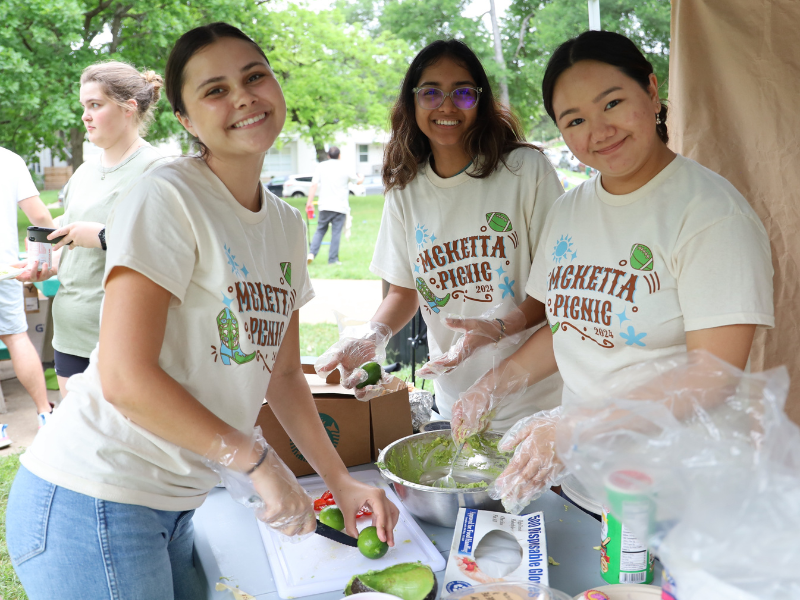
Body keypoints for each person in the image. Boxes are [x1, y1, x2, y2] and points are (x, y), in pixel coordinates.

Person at [6, 22, 398, 599]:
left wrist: (338, 481)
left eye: (254, 76)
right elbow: (123, 378)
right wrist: (258, 462)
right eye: (215, 90)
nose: (242, 96)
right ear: (187, 121)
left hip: (175, 503)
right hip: (92, 496)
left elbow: (284, 375)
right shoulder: (168, 196)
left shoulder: (287, 226)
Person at [451, 31, 774, 510]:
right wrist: (490, 387)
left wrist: (578, 426)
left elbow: (715, 374)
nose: (599, 131)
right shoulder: (569, 211)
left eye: (613, 103)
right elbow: (571, 330)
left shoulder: (709, 213)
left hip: (681, 495)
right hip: (586, 481)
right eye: (575, 119)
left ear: (651, 90)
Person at [315, 39, 564, 430]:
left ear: (480, 101)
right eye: (431, 92)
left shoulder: (525, 170)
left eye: (463, 93)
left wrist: (501, 325)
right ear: (411, 103)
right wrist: (373, 335)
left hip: (536, 404)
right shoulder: (405, 189)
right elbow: (402, 291)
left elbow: (557, 287)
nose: (446, 105)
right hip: (456, 405)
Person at [17, 61, 165, 397]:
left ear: (129, 108)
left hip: (126, 336)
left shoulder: (159, 170)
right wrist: (44, 267)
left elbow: (173, 248)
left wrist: (102, 237)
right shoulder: (83, 171)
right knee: (78, 445)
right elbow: (71, 247)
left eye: (95, 105)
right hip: (70, 332)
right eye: (84, 106)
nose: (85, 116)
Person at [0, 146, 55, 438]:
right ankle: (45, 413)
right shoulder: (8, 160)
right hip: (5, 268)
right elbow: (40, 216)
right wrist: (50, 255)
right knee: (17, 337)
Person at [306, 146, 363, 265]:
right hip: (340, 206)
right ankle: (332, 260)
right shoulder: (345, 166)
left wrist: (309, 202)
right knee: (336, 232)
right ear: (339, 155)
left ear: (328, 156)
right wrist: (361, 178)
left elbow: (314, 185)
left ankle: (311, 253)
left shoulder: (321, 166)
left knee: (320, 230)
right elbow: (356, 181)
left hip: (324, 205)